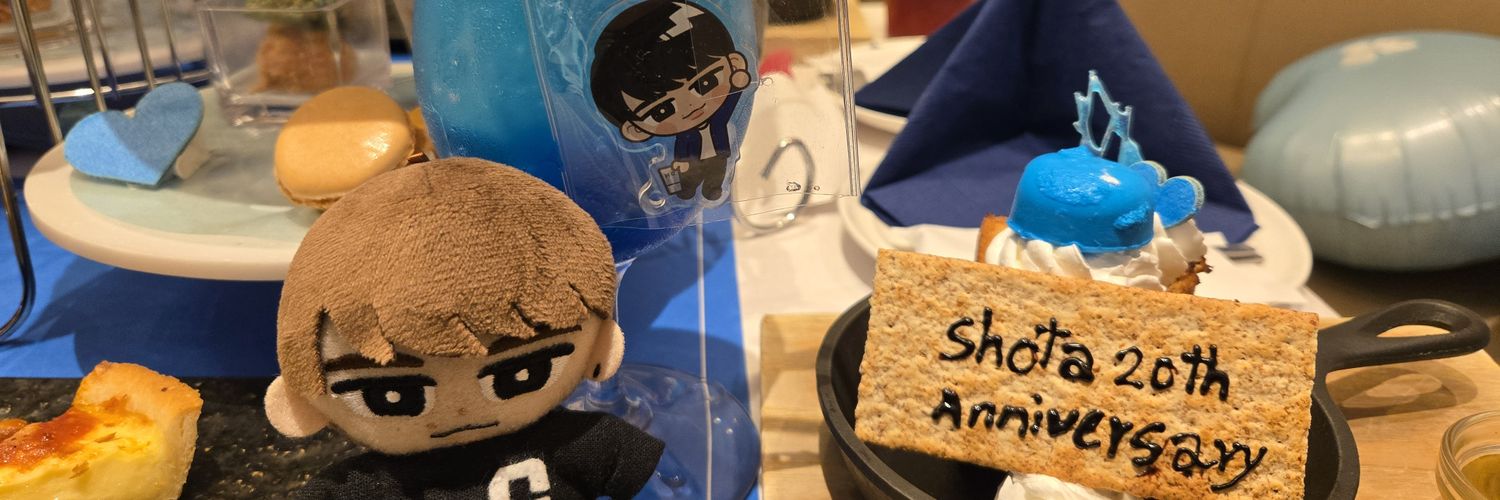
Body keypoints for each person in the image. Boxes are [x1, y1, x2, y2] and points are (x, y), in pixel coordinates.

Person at [263, 157, 663, 499]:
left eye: (522, 373)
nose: (459, 410)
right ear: (298, 402)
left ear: (600, 350)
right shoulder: (368, 485)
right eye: (392, 396)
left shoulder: (577, 444)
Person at [591, 0, 754, 202]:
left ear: (734, 64)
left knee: (714, 179)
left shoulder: (719, 119)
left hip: (719, 157)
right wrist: (681, 163)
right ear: (635, 129)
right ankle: (686, 190)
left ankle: (711, 189)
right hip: (687, 165)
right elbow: (682, 147)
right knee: (687, 182)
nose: (690, 105)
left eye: (704, 83)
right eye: (663, 110)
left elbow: (730, 101)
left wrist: (737, 84)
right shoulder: (686, 133)